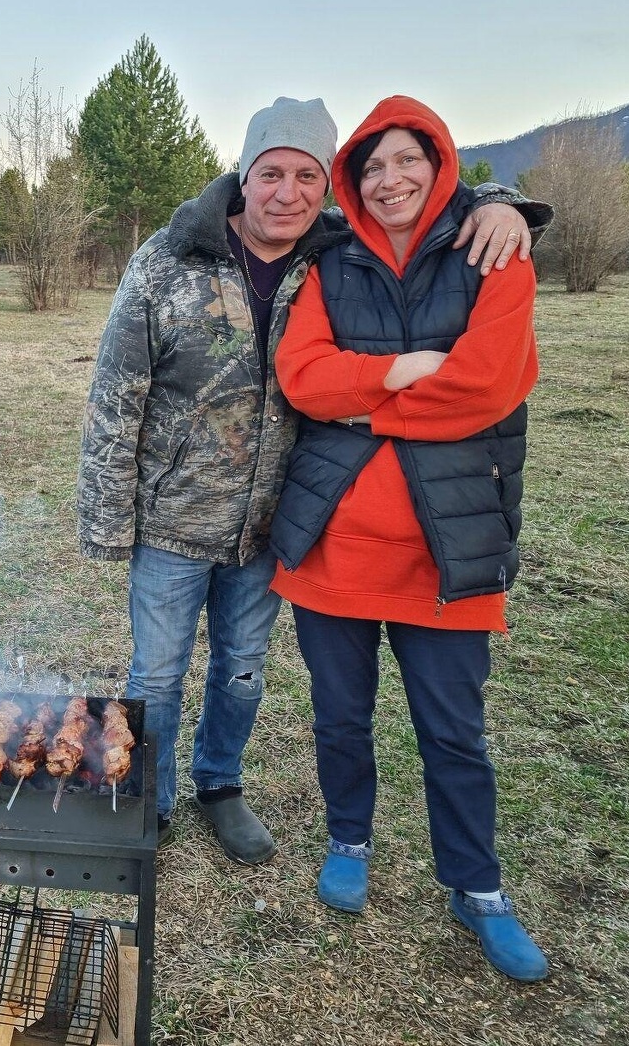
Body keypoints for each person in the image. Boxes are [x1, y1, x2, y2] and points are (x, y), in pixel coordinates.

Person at [77, 97, 550, 866]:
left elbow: (431, 208)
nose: (287, 193)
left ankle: (219, 784)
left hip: (275, 516)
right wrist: (106, 517)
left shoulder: (329, 250)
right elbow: (117, 390)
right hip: (172, 517)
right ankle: (147, 803)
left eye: (307, 176)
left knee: (242, 669)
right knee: (156, 673)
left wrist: (504, 205)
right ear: (244, 175)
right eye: (271, 174)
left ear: (327, 187)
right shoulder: (169, 259)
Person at [267, 95, 547, 980]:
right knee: (339, 716)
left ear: (439, 164)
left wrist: (369, 405)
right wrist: (400, 368)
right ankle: (348, 839)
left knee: (454, 731)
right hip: (334, 545)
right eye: (373, 165)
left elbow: (487, 385)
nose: (390, 179)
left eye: (406, 160)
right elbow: (303, 378)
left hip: (447, 547)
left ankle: (477, 886)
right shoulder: (330, 263)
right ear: (352, 181)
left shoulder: (494, 252)